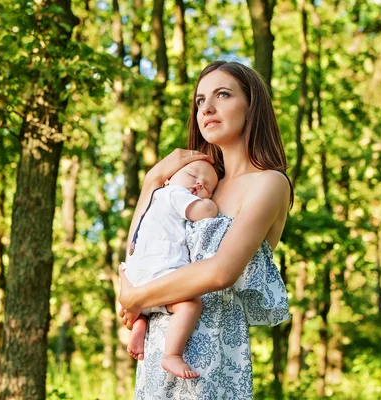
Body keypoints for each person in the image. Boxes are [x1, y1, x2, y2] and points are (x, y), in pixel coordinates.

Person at [118, 60, 294, 399]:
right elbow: (143, 248)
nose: (207, 108)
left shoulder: (269, 183)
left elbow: (221, 272)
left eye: (223, 95)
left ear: (251, 106)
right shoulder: (199, 188)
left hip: (212, 365)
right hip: (158, 353)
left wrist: (135, 297)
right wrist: (152, 180)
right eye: (200, 101)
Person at [123, 160, 219, 379]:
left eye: (207, 187)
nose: (198, 183)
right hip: (159, 273)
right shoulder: (172, 194)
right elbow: (205, 212)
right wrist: (211, 203)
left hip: (139, 277)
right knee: (190, 305)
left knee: (154, 306)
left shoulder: (154, 204)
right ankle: (172, 355)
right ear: (167, 180)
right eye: (193, 174)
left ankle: (141, 321)